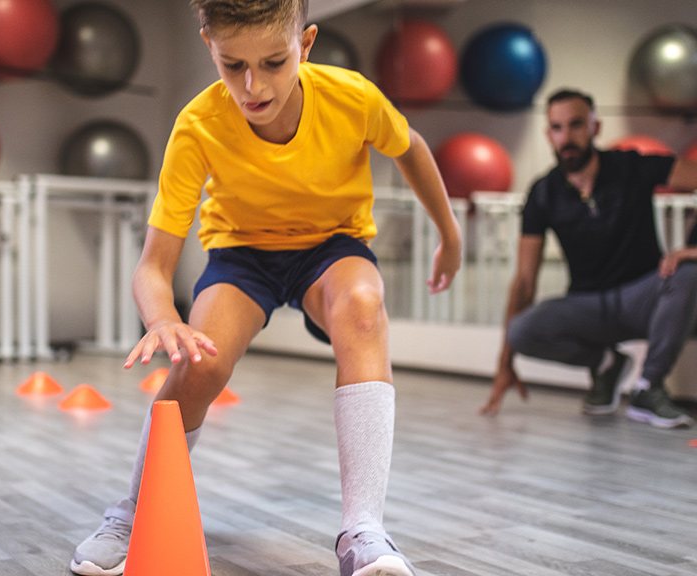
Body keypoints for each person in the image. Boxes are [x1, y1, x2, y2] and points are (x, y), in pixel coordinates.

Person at [70, 1, 461, 576]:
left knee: (363, 309)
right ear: (208, 45)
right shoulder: (198, 124)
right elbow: (153, 267)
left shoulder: (354, 97)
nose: (252, 86)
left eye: (274, 62)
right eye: (232, 66)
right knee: (198, 361)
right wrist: (162, 320)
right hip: (242, 257)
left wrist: (449, 235)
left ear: (305, 45)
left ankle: (365, 532)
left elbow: (413, 150)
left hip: (332, 246)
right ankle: (131, 513)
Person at [480, 88, 697, 428]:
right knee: (521, 330)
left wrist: (693, 249)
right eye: (557, 128)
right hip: (589, 307)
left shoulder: (630, 165)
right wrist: (505, 365)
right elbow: (524, 282)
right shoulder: (542, 193)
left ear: (596, 127)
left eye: (576, 125)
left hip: (644, 297)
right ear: (548, 134)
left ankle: (648, 389)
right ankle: (608, 363)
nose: (567, 137)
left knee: (687, 273)